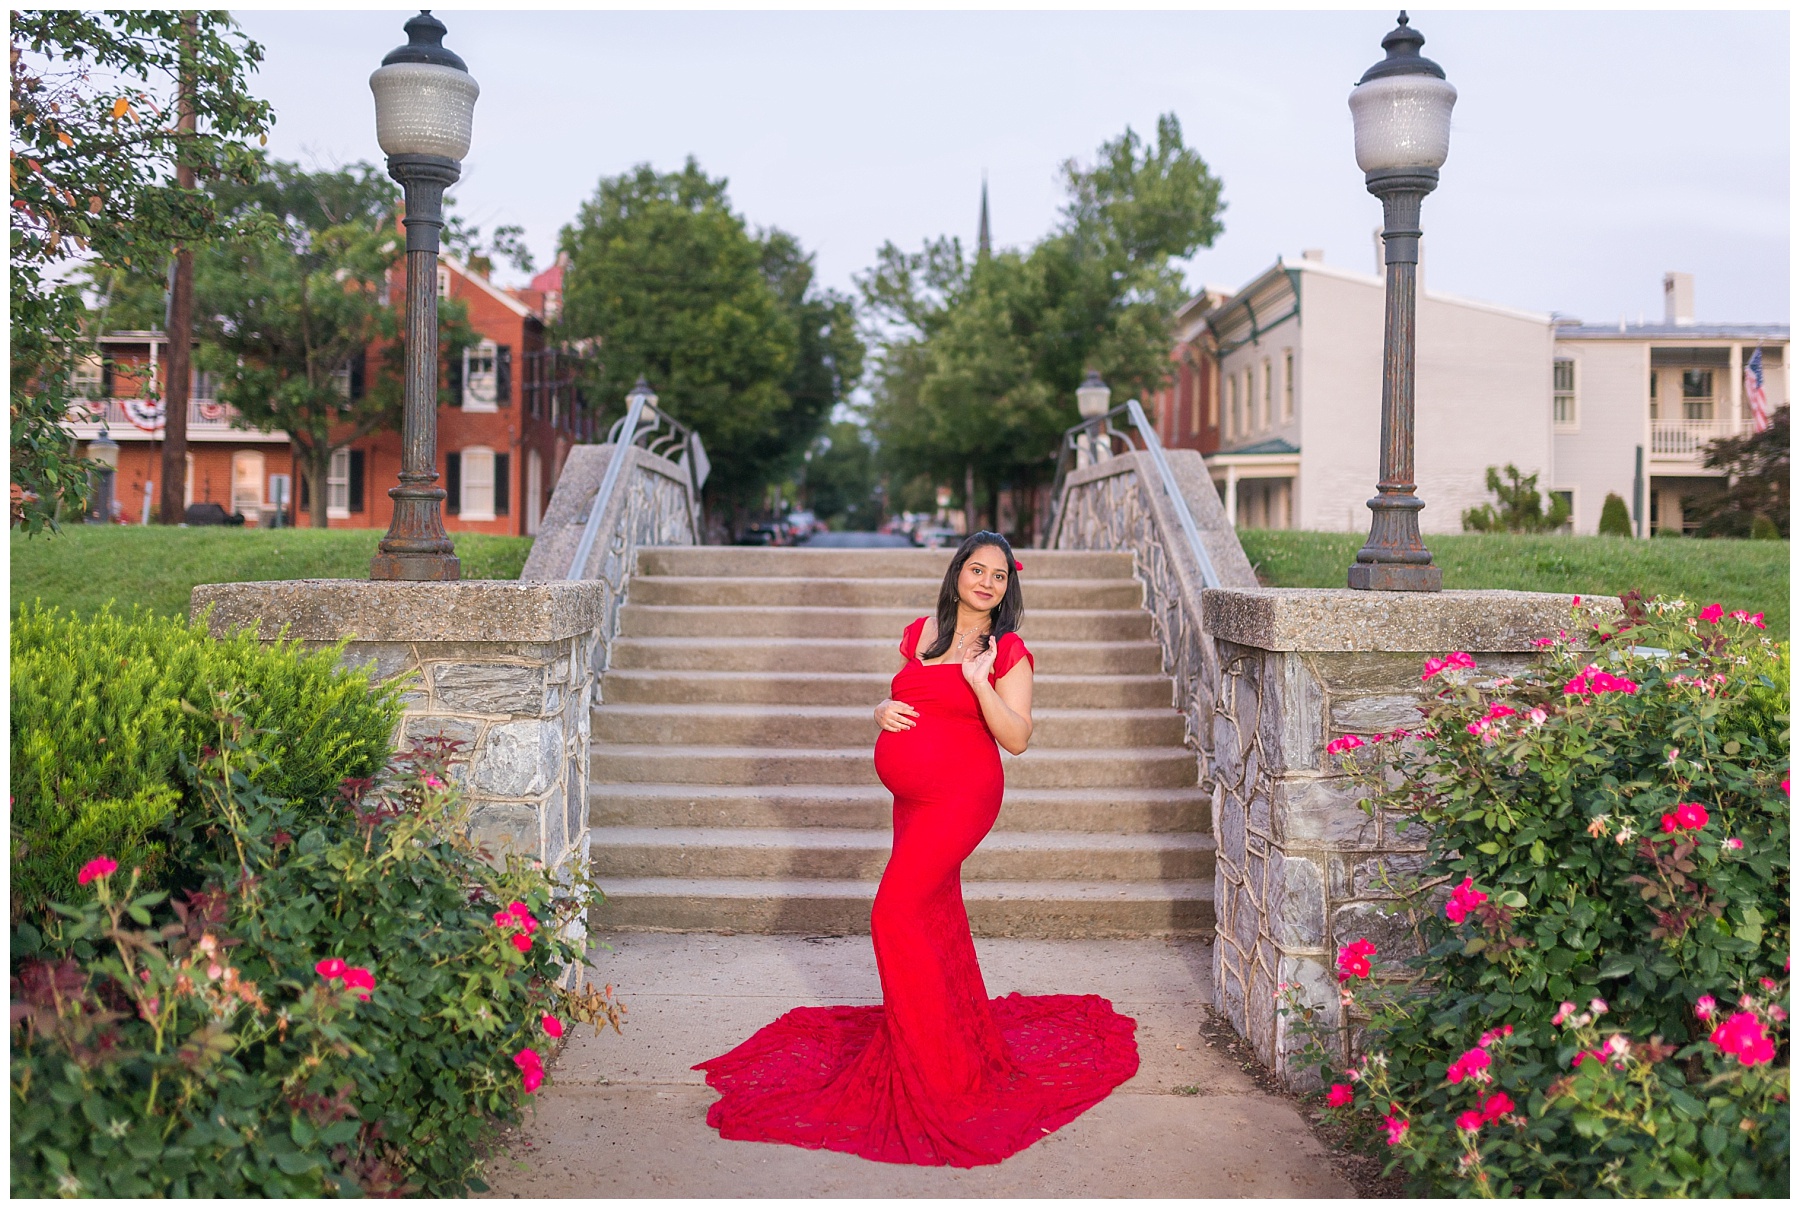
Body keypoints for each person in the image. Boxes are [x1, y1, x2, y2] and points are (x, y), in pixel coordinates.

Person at [694, 531, 1139, 1168]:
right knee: (932, 917)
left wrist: (982, 684)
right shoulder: (919, 633)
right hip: (911, 801)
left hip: (963, 796)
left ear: (1008, 588)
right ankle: (950, 1040)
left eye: (998, 576)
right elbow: (905, 695)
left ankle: (933, 1069)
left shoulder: (1007, 650)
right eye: (976, 569)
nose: (986, 582)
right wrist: (881, 708)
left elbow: (1017, 737)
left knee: (893, 914)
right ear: (957, 571)